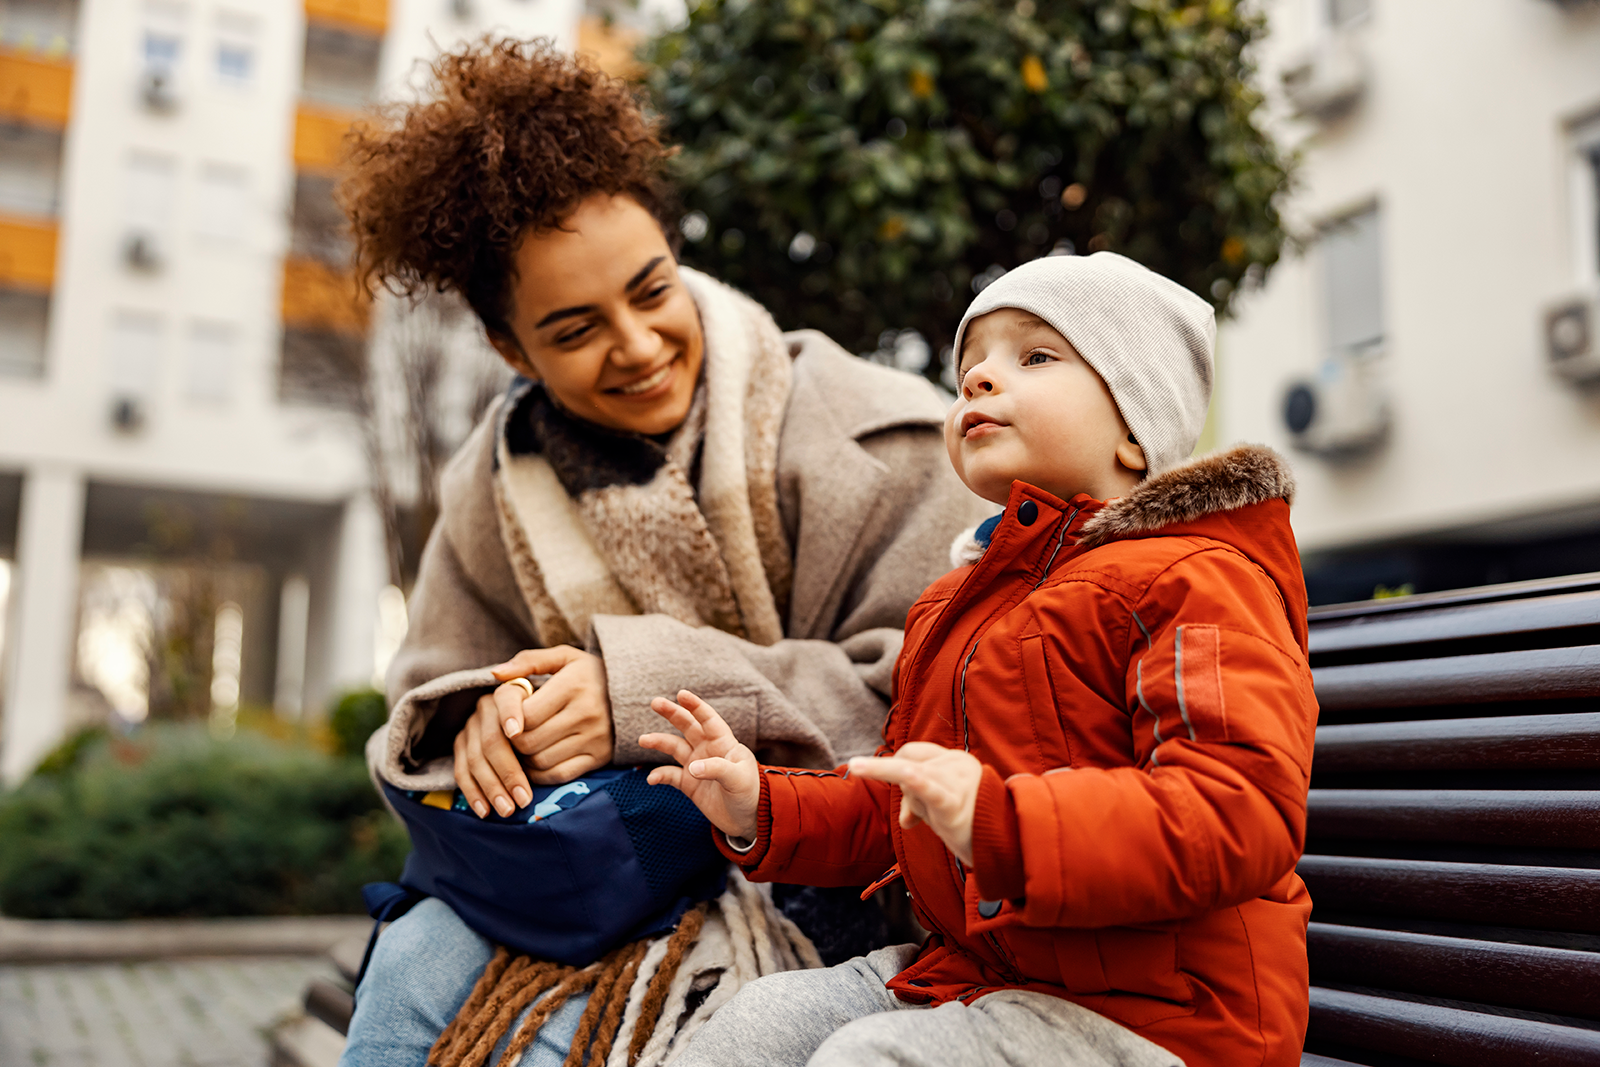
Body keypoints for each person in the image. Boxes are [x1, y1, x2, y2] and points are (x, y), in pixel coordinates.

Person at [337, 38, 990, 1067]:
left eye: (651, 290)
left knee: (564, 1037)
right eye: (575, 328)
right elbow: (430, 694)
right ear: (513, 351)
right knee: (410, 967)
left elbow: (921, 703)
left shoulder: (888, 439)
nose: (637, 345)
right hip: (590, 871)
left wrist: (635, 698)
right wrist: (492, 723)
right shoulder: (489, 486)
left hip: (840, 887)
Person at [643, 252, 1318, 1067]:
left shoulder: (1194, 579)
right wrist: (762, 805)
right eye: (971, 368)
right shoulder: (957, 608)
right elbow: (902, 809)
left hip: (1164, 1018)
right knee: (755, 1026)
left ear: (1137, 431)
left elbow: (1237, 810)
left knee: (866, 1061)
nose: (981, 381)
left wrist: (1005, 827)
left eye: (1034, 356)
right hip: (985, 976)